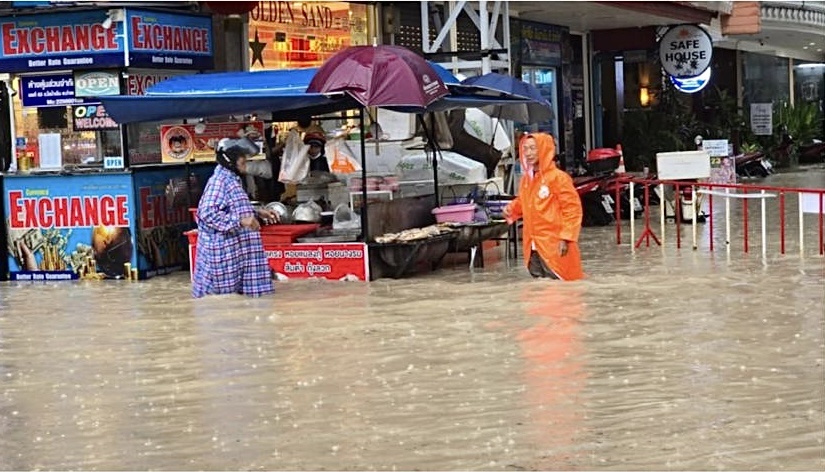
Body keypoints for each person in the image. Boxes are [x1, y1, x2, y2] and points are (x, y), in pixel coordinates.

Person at [192, 137, 279, 298]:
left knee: (246, 304)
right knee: (222, 304)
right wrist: (240, 221)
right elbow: (207, 213)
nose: (245, 163)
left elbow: (232, 207)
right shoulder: (219, 182)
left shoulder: (232, 180)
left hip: (239, 253)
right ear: (230, 161)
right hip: (225, 256)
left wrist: (256, 212)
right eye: (242, 159)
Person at [503, 132, 584, 280]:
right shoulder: (527, 180)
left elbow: (572, 209)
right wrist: (511, 209)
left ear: (544, 149)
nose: (528, 153)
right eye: (525, 149)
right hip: (533, 244)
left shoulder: (559, 178)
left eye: (533, 148)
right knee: (540, 286)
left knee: (560, 285)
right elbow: (524, 202)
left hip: (554, 244)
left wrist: (565, 238)